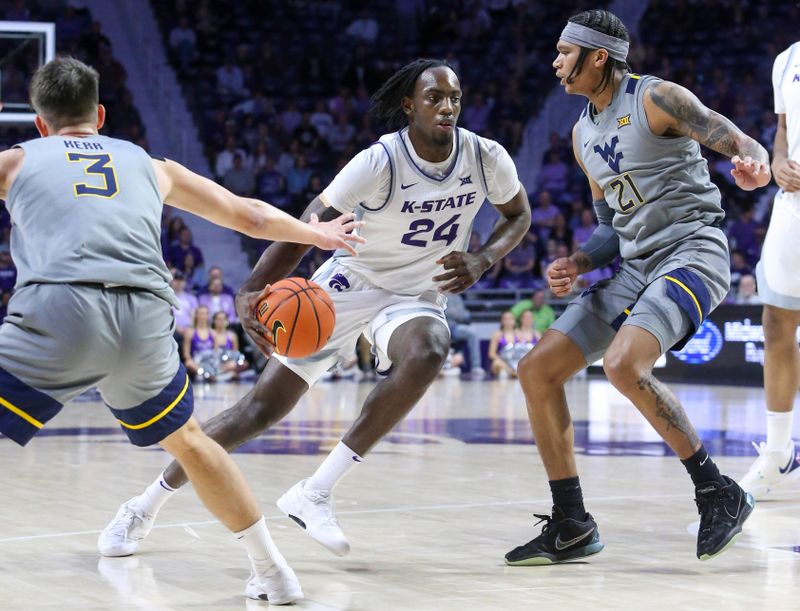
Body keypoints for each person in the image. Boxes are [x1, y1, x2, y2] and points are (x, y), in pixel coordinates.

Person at [100, 57, 531, 558]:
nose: (447, 107)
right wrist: (254, 286)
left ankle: (316, 492)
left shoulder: (485, 157)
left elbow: (517, 214)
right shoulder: (380, 162)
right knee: (258, 411)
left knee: (431, 348)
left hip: (416, 293)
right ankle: (143, 507)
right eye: (434, 97)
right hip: (351, 280)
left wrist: (484, 258)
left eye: (454, 97)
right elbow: (310, 224)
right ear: (409, 105)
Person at [0, 57, 363, 602]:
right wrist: (318, 236)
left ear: (40, 125)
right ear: (99, 114)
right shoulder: (150, 164)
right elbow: (250, 217)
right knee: (191, 443)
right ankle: (273, 572)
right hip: (146, 318)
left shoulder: (15, 161)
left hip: (60, 309)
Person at [504, 9, 771, 567]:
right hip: (634, 266)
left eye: (564, 52)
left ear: (597, 56)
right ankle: (572, 523)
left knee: (625, 365)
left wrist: (754, 161)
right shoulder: (581, 134)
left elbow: (734, 136)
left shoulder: (658, 99)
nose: (555, 62)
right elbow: (610, 227)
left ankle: (717, 491)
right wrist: (578, 260)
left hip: (693, 251)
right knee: (536, 369)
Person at [739, 40, 800, 498]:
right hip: (793, 204)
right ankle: (780, 455)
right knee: (777, 321)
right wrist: (778, 161)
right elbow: (783, 127)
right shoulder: (787, 58)